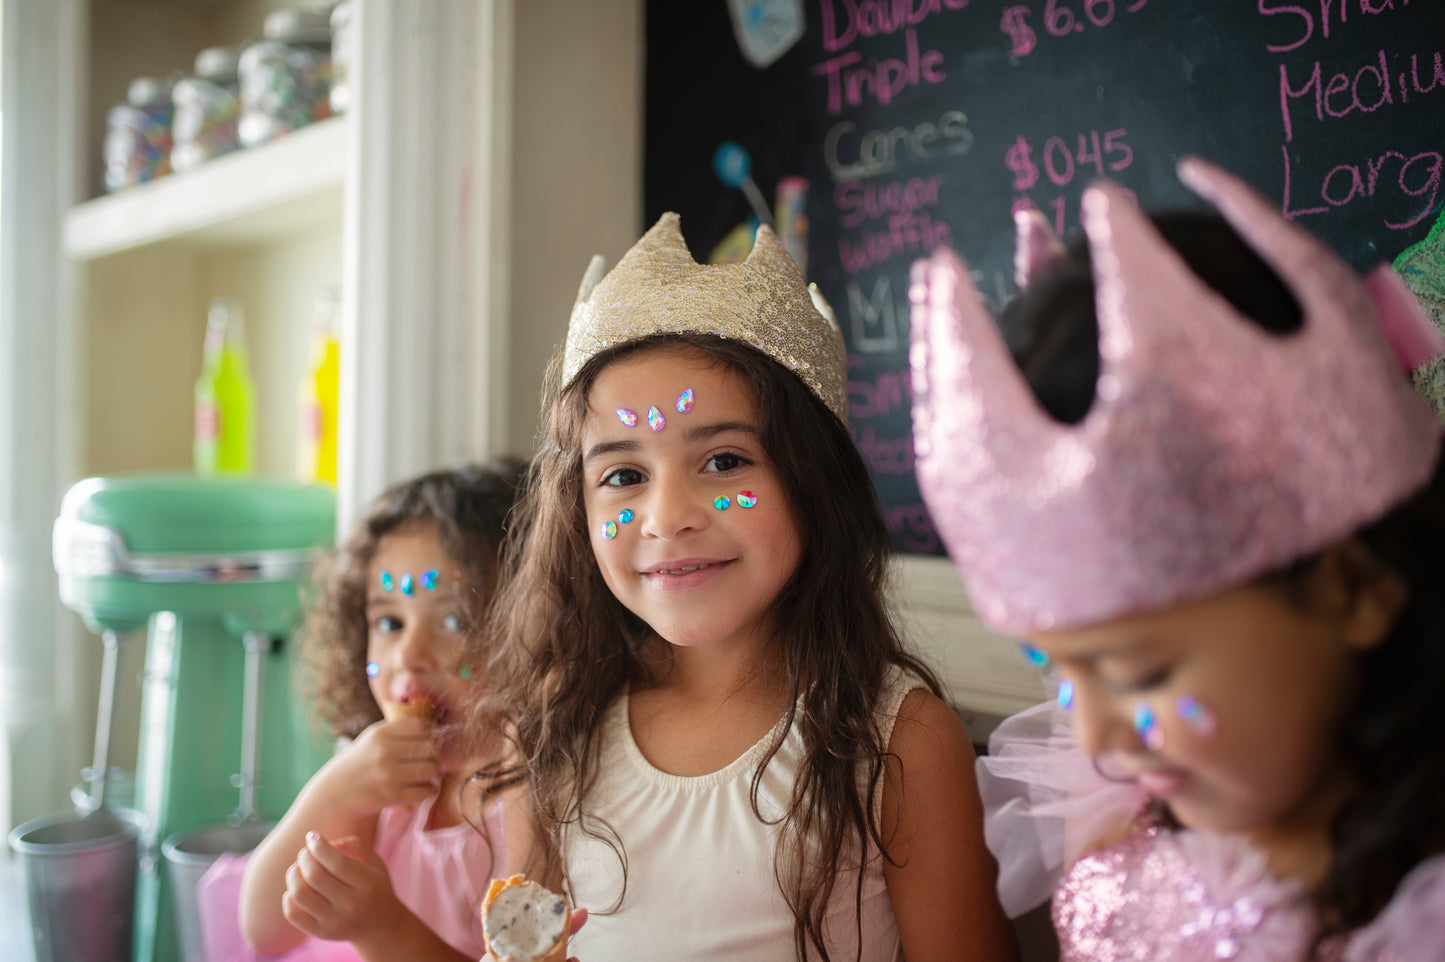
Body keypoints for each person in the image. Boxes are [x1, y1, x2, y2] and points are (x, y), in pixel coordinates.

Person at [909, 156, 1445, 958]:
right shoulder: (1122, 890)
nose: (1096, 740)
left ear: (1353, 586)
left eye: (1140, 674)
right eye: (1054, 671)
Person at [471, 214, 1018, 962]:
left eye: (724, 462)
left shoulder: (897, 742)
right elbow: (524, 945)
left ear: (811, 482)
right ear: (575, 511)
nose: (667, 518)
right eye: (624, 476)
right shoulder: (550, 728)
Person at [200, 463, 527, 961]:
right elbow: (264, 927)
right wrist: (338, 792)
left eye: (455, 619)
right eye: (391, 621)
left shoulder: (527, 797)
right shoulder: (378, 783)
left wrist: (383, 929)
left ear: (531, 625)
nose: (409, 655)